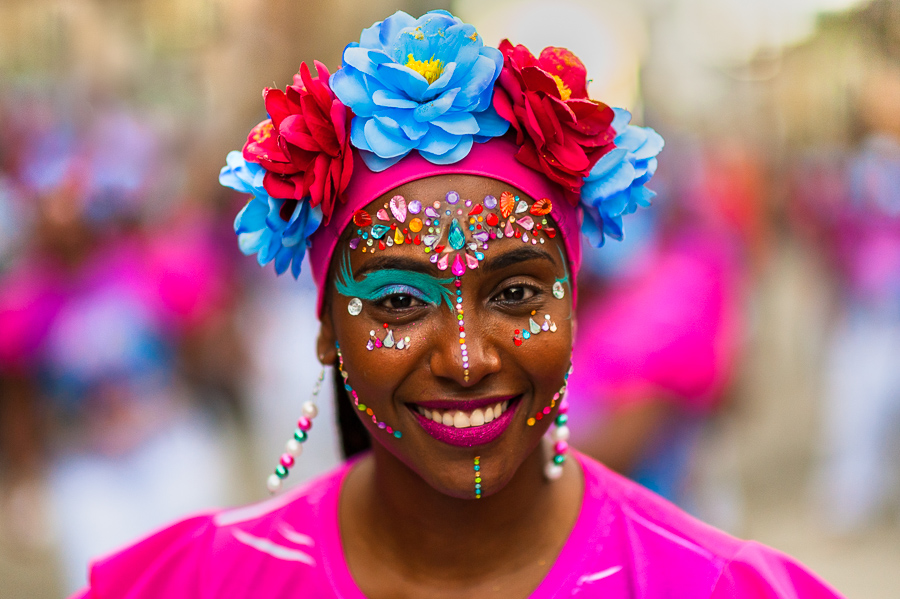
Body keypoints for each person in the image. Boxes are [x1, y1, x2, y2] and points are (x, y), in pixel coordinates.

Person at [71, 10, 843, 598]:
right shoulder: (189, 582)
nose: (468, 358)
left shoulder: (717, 585)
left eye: (514, 293)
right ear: (327, 330)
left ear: (576, 309)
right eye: (401, 301)